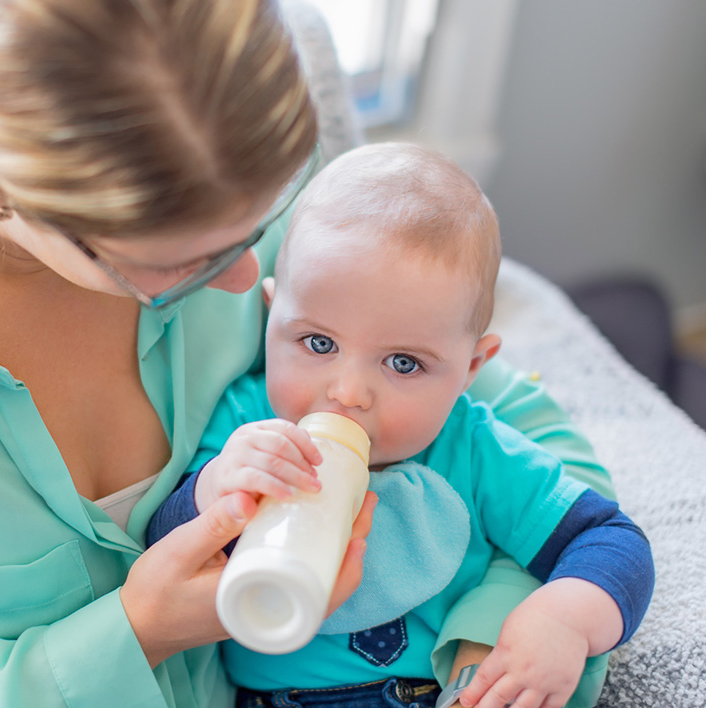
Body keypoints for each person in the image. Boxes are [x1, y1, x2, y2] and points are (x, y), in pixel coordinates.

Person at [0, 1, 612, 706]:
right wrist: (134, 633)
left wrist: (504, 635)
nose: (248, 286)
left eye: (259, 228)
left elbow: (514, 429)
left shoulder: (253, 177)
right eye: (179, 265)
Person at [147, 142, 654, 708]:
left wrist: (563, 619)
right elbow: (162, 547)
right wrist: (213, 490)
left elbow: (610, 540)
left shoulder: (472, 449)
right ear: (271, 317)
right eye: (318, 343)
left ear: (470, 369)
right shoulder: (249, 425)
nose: (348, 392)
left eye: (403, 363)